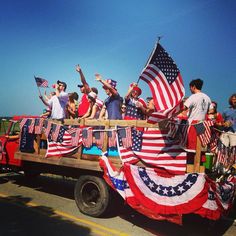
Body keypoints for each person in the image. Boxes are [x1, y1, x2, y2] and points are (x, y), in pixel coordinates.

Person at [180, 78, 211, 150]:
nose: (190, 90)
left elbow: (183, 108)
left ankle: (191, 161)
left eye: (190, 88)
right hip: (203, 124)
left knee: (191, 146)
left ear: (193, 87)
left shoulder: (193, 97)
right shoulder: (207, 97)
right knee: (200, 146)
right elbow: (211, 110)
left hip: (193, 124)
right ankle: (199, 161)